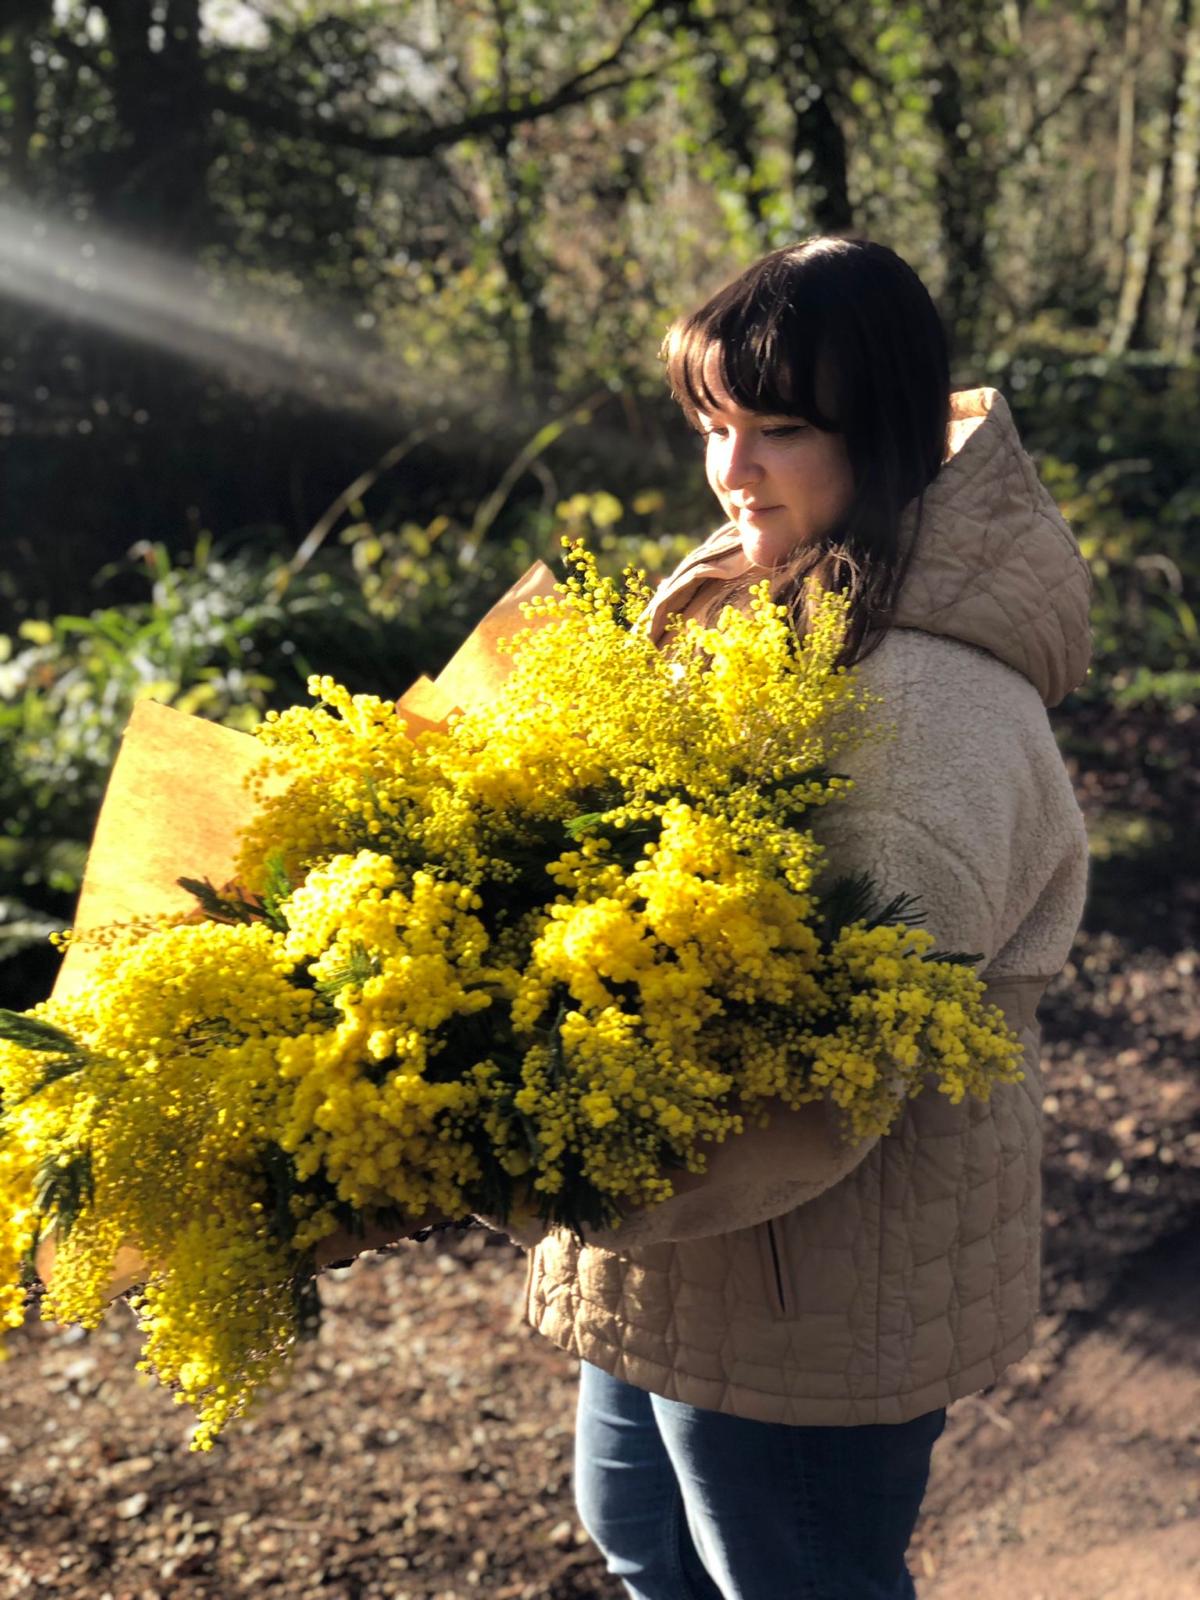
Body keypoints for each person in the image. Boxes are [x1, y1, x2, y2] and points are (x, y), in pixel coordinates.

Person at [516, 237, 1093, 1598]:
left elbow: (832, 1061)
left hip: (812, 1282)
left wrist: (512, 1145)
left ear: (885, 436)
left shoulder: (929, 710)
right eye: (716, 424)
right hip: (680, 1244)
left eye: (780, 429)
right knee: (646, 1548)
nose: (732, 469)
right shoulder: (759, 588)